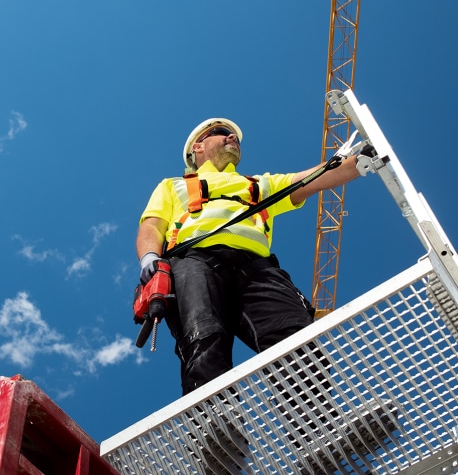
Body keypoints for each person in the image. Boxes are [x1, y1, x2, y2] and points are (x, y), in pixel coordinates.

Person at [136, 118, 362, 396]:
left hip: (256, 268)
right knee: (203, 335)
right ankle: (215, 426)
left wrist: (359, 161)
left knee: (292, 335)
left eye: (235, 136)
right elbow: (152, 225)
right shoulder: (173, 186)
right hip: (191, 261)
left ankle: (326, 425)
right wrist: (149, 258)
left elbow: (313, 177)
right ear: (198, 147)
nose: (232, 137)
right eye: (221, 133)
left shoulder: (260, 184)